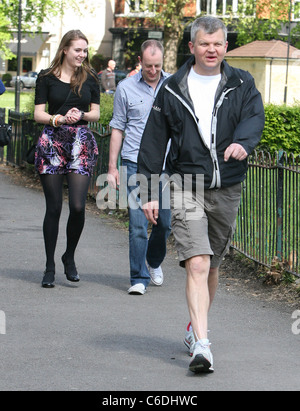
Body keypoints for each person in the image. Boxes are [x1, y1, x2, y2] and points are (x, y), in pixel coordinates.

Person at [138, 16, 265, 372]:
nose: (212, 49)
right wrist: (149, 190)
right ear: (191, 46)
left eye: (218, 43)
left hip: (226, 186)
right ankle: (203, 347)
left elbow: (254, 116)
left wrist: (243, 142)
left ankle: (196, 326)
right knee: (197, 261)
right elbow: (152, 141)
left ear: (226, 46)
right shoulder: (173, 87)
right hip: (185, 184)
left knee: (212, 265)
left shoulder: (241, 82)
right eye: (205, 43)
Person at [34, 30, 100, 288]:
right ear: (65, 50)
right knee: (53, 208)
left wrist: (80, 114)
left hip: (80, 143)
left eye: (85, 50)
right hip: (52, 143)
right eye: (78, 50)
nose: (82, 55)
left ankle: (68, 256)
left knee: (77, 206)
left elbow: (95, 114)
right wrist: (57, 119)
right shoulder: (46, 78)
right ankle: (49, 266)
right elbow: (39, 113)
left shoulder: (90, 78)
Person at [108, 40, 171, 295]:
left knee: (163, 222)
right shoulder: (125, 88)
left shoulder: (174, 86)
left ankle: (153, 261)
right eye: (148, 66)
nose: (153, 70)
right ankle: (138, 277)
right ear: (139, 61)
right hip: (134, 162)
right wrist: (112, 167)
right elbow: (117, 129)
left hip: (165, 165)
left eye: (157, 65)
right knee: (137, 223)